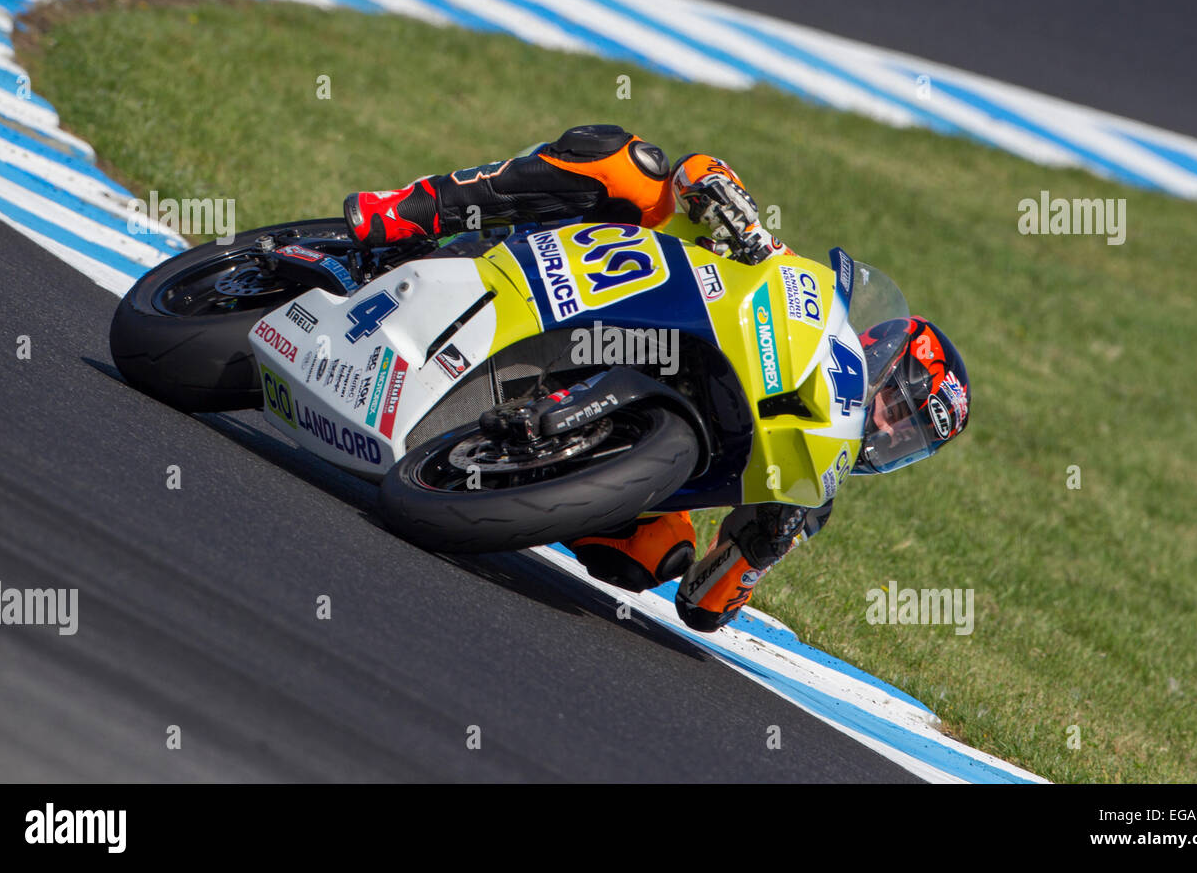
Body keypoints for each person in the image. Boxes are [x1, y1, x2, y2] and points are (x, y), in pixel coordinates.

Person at [344, 125, 971, 632]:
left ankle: (507, 473)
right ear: (879, 349)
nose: (889, 428)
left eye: (908, 438)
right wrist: (732, 211)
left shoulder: (810, 489)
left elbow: (702, 605)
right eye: (899, 404)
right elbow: (700, 167)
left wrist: (757, 552)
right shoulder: (789, 285)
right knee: (629, 162)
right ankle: (405, 212)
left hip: (614, 427)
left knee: (655, 556)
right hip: (601, 277)